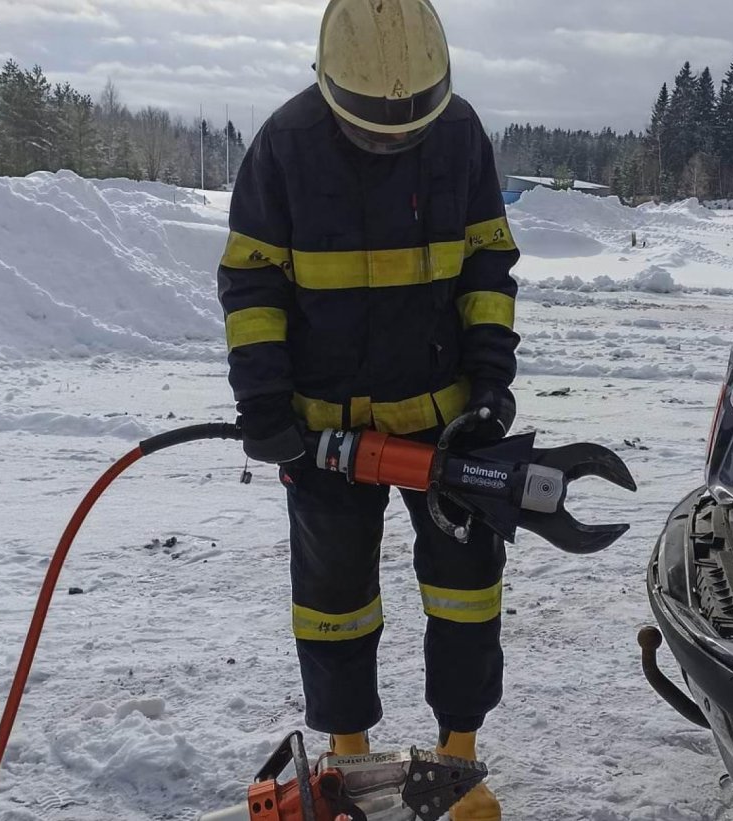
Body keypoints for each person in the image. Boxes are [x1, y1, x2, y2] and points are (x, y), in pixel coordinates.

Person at [216, 1, 519, 818]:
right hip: (322, 427)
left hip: (445, 419)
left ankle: (460, 761)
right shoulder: (285, 144)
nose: (391, 142)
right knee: (333, 601)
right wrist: (264, 403)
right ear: (329, 86)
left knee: (466, 589)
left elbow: (487, 263)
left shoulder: (460, 136)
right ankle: (347, 762)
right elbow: (253, 283)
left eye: (407, 131)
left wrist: (491, 380)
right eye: (372, 132)